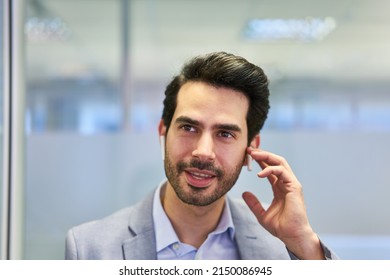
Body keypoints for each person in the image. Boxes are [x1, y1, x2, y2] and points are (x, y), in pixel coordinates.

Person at [65, 51, 338, 260]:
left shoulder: (285, 251)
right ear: (163, 133)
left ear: (250, 149)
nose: (203, 152)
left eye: (225, 134)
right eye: (189, 127)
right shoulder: (89, 249)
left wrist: (304, 246)